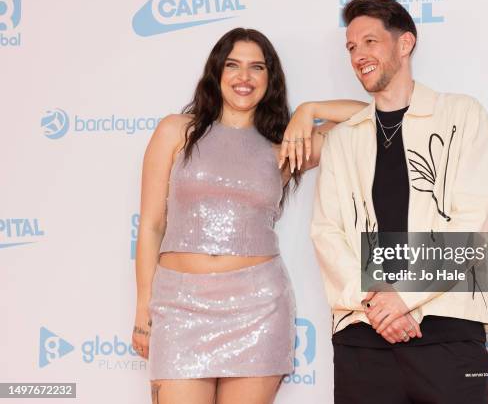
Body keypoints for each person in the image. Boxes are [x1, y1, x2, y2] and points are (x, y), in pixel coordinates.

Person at [130, 27, 364, 404]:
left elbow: (372, 116)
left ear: (270, 79)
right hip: (178, 307)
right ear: (216, 73)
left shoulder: (286, 147)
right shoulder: (176, 131)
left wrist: (310, 111)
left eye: (257, 67)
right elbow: (152, 225)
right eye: (233, 65)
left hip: (257, 308)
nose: (244, 77)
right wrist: (143, 307)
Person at [309, 0, 488, 404]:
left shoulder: (462, 114)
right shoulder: (343, 138)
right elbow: (327, 232)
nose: (359, 54)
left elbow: (475, 220)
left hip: (449, 328)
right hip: (362, 334)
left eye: (370, 41)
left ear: (404, 43)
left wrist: (404, 296)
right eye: (351, 47)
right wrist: (378, 304)